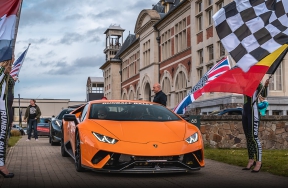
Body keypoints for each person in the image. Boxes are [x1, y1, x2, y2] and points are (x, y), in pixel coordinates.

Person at [242, 79, 269, 173]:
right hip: (245, 111)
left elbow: (264, 95)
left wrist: (265, 86)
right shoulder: (244, 81)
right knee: (248, 137)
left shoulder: (257, 81)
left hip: (253, 111)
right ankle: (251, 160)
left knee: (254, 137)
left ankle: (259, 162)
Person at [0, 59, 15, 178]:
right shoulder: (2, 70)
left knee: (4, 136)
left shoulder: (8, 72)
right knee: (1, 136)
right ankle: (1, 165)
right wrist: (4, 73)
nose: (14, 58)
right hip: (2, 107)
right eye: (12, 57)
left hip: (7, 106)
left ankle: (1, 163)